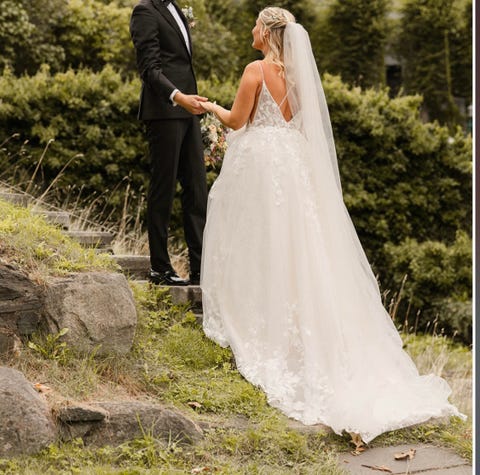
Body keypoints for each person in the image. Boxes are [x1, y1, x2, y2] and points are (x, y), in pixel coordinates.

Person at [200, 7, 464, 444]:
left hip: (262, 165)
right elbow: (305, 126)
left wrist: (209, 106)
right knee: (300, 248)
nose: (251, 30)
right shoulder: (299, 76)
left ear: (267, 31)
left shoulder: (255, 70)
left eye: (256, 24)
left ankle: (261, 323)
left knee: (261, 243)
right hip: (293, 164)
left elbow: (236, 120)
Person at [130, 0, 208, 286]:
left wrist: (191, 102)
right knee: (163, 189)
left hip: (189, 112)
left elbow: (181, 63)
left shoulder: (176, 9)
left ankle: (200, 269)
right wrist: (178, 97)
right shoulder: (145, 11)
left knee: (197, 190)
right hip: (164, 111)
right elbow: (149, 69)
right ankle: (160, 268)